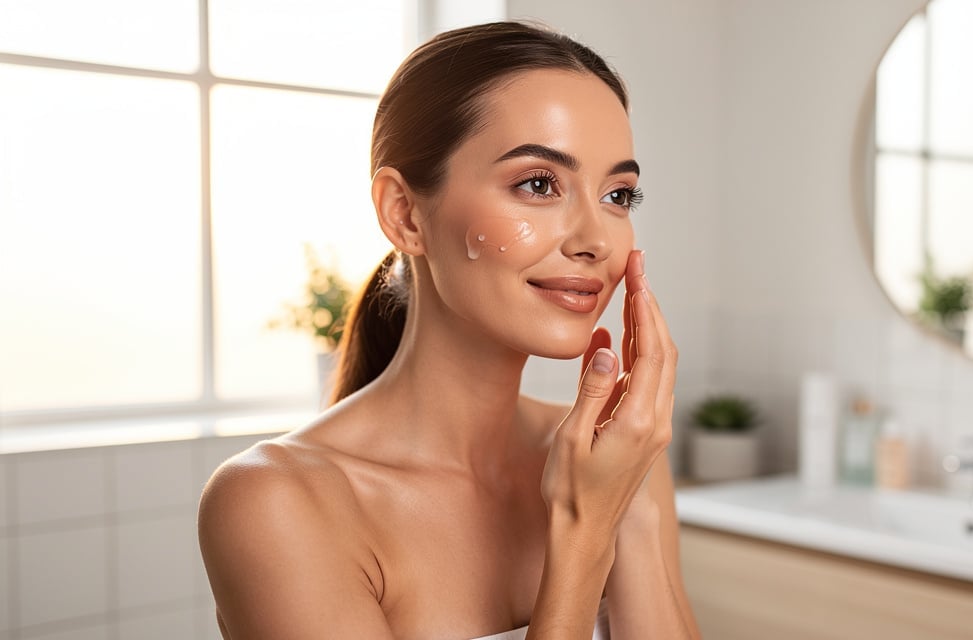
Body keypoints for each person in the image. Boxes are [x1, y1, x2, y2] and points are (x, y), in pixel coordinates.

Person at [197, 21, 698, 640]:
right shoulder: (277, 503)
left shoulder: (615, 456)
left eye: (620, 195)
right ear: (405, 215)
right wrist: (585, 527)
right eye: (538, 184)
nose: (597, 240)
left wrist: (631, 510)